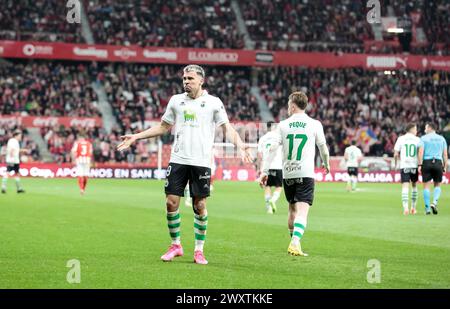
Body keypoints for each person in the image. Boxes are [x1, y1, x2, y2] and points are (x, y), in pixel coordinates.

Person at [117, 64, 252, 265]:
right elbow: (163, 127)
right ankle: (176, 245)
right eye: (184, 79)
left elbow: (227, 128)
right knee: (171, 202)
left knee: (199, 205)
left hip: (201, 162)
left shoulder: (214, 103)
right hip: (178, 159)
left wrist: (241, 145)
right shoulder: (176, 101)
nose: (186, 82)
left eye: (190, 79)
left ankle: (199, 250)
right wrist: (136, 137)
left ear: (201, 80)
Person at [259, 91, 330, 257]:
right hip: (305, 173)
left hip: (288, 174)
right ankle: (295, 243)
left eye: (288, 105)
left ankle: (293, 242)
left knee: (292, 209)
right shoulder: (315, 124)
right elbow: (323, 148)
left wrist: (264, 171)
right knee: (303, 211)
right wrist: (326, 164)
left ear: (292, 105)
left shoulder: (282, 125)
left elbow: (272, 149)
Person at [418, 123, 448, 215]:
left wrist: (420, 164)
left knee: (426, 186)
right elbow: (445, 154)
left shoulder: (423, 138)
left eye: (425, 128)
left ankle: (427, 209)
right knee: (437, 185)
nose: (424, 130)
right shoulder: (442, 138)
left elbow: (420, 152)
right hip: (438, 162)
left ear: (430, 128)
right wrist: (445, 166)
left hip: (426, 162)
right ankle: (434, 203)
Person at [393, 123, 420, 215]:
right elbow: (420, 153)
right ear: (411, 129)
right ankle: (413, 208)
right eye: (415, 129)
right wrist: (420, 164)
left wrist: (396, 164)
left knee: (405, 186)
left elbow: (396, 154)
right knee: (414, 186)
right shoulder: (417, 140)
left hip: (404, 165)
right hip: (414, 166)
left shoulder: (400, 139)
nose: (416, 131)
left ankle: (405, 209)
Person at [257, 121, 283, 214]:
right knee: (279, 187)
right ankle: (273, 200)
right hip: (278, 166)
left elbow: (260, 156)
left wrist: (260, 170)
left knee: (267, 186)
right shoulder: (279, 137)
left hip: (266, 167)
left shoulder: (262, 139)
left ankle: (269, 208)